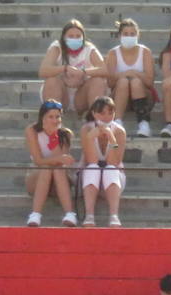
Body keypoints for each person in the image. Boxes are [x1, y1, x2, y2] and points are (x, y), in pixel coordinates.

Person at [24, 100, 79, 227]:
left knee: (56, 169)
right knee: (46, 168)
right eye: (50, 117)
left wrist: (54, 135)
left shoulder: (65, 134)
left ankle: (70, 214)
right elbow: (38, 161)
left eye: (58, 117)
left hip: (58, 181)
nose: (55, 120)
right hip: (37, 177)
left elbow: (58, 162)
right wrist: (58, 159)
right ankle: (35, 215)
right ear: (42, 117)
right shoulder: (31, 130)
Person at [38, 18, 105, 116]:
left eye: (78, 36)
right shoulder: (57, 47)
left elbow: (105, 70)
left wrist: (83, 72)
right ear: (64, 37)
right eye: (71, 36)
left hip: (81, 96)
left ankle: (95, 122)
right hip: (61, 94)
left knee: (98, 81)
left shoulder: (89, 48)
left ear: (83, 37)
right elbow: (43, 71)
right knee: (51, 81)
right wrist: (65, 68)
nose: (75, 39)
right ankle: (52, 120)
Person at [79, 95, 127, 226]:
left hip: (113, 179)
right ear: (94, 114)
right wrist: (90, 139)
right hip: (92, 179)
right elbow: (91, 160)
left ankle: (114, 216)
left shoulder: (119, 131)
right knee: (93, 168)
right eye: (102, 113)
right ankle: (89, 216)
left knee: (110, 169)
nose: (106, 117)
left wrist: (112, 138)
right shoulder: (86, 129)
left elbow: (114, 161)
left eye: (110, 113)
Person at [104, 18, 156, 136]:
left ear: (138, 35)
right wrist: (125, 74)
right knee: (123, 82)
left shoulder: (145, 52)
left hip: (143, 95)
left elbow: (149, 82)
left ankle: (144, 123)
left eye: (132, 34)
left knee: (136, 82)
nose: (129, 36)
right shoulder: (113, 53)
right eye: (125, 34)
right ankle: (117, 122)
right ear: (119, 36)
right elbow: (110, 83)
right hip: (120, 97)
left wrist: (134, 73)